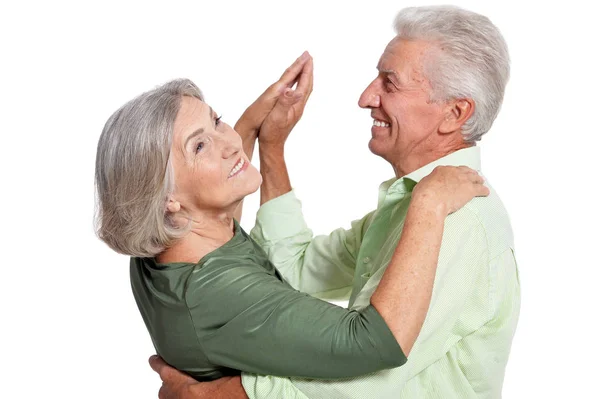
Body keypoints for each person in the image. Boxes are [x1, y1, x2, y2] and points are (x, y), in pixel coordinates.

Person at [150, 5, 520, 399]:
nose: (365, 97)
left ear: (455, 113)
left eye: (389, 83)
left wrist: (218, 395)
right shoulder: (411, 205)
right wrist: (272, 147)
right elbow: (294, 270)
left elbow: (368, 377)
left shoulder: (456, 221)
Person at [94, 53, 488, 381]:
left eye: (217, 121)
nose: (230, 143)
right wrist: (428, 204)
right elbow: (374, 343)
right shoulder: (220, 290)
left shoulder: (165, 242)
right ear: (166, 199)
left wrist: (258, 127)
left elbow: (212, 194)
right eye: (199, 146)